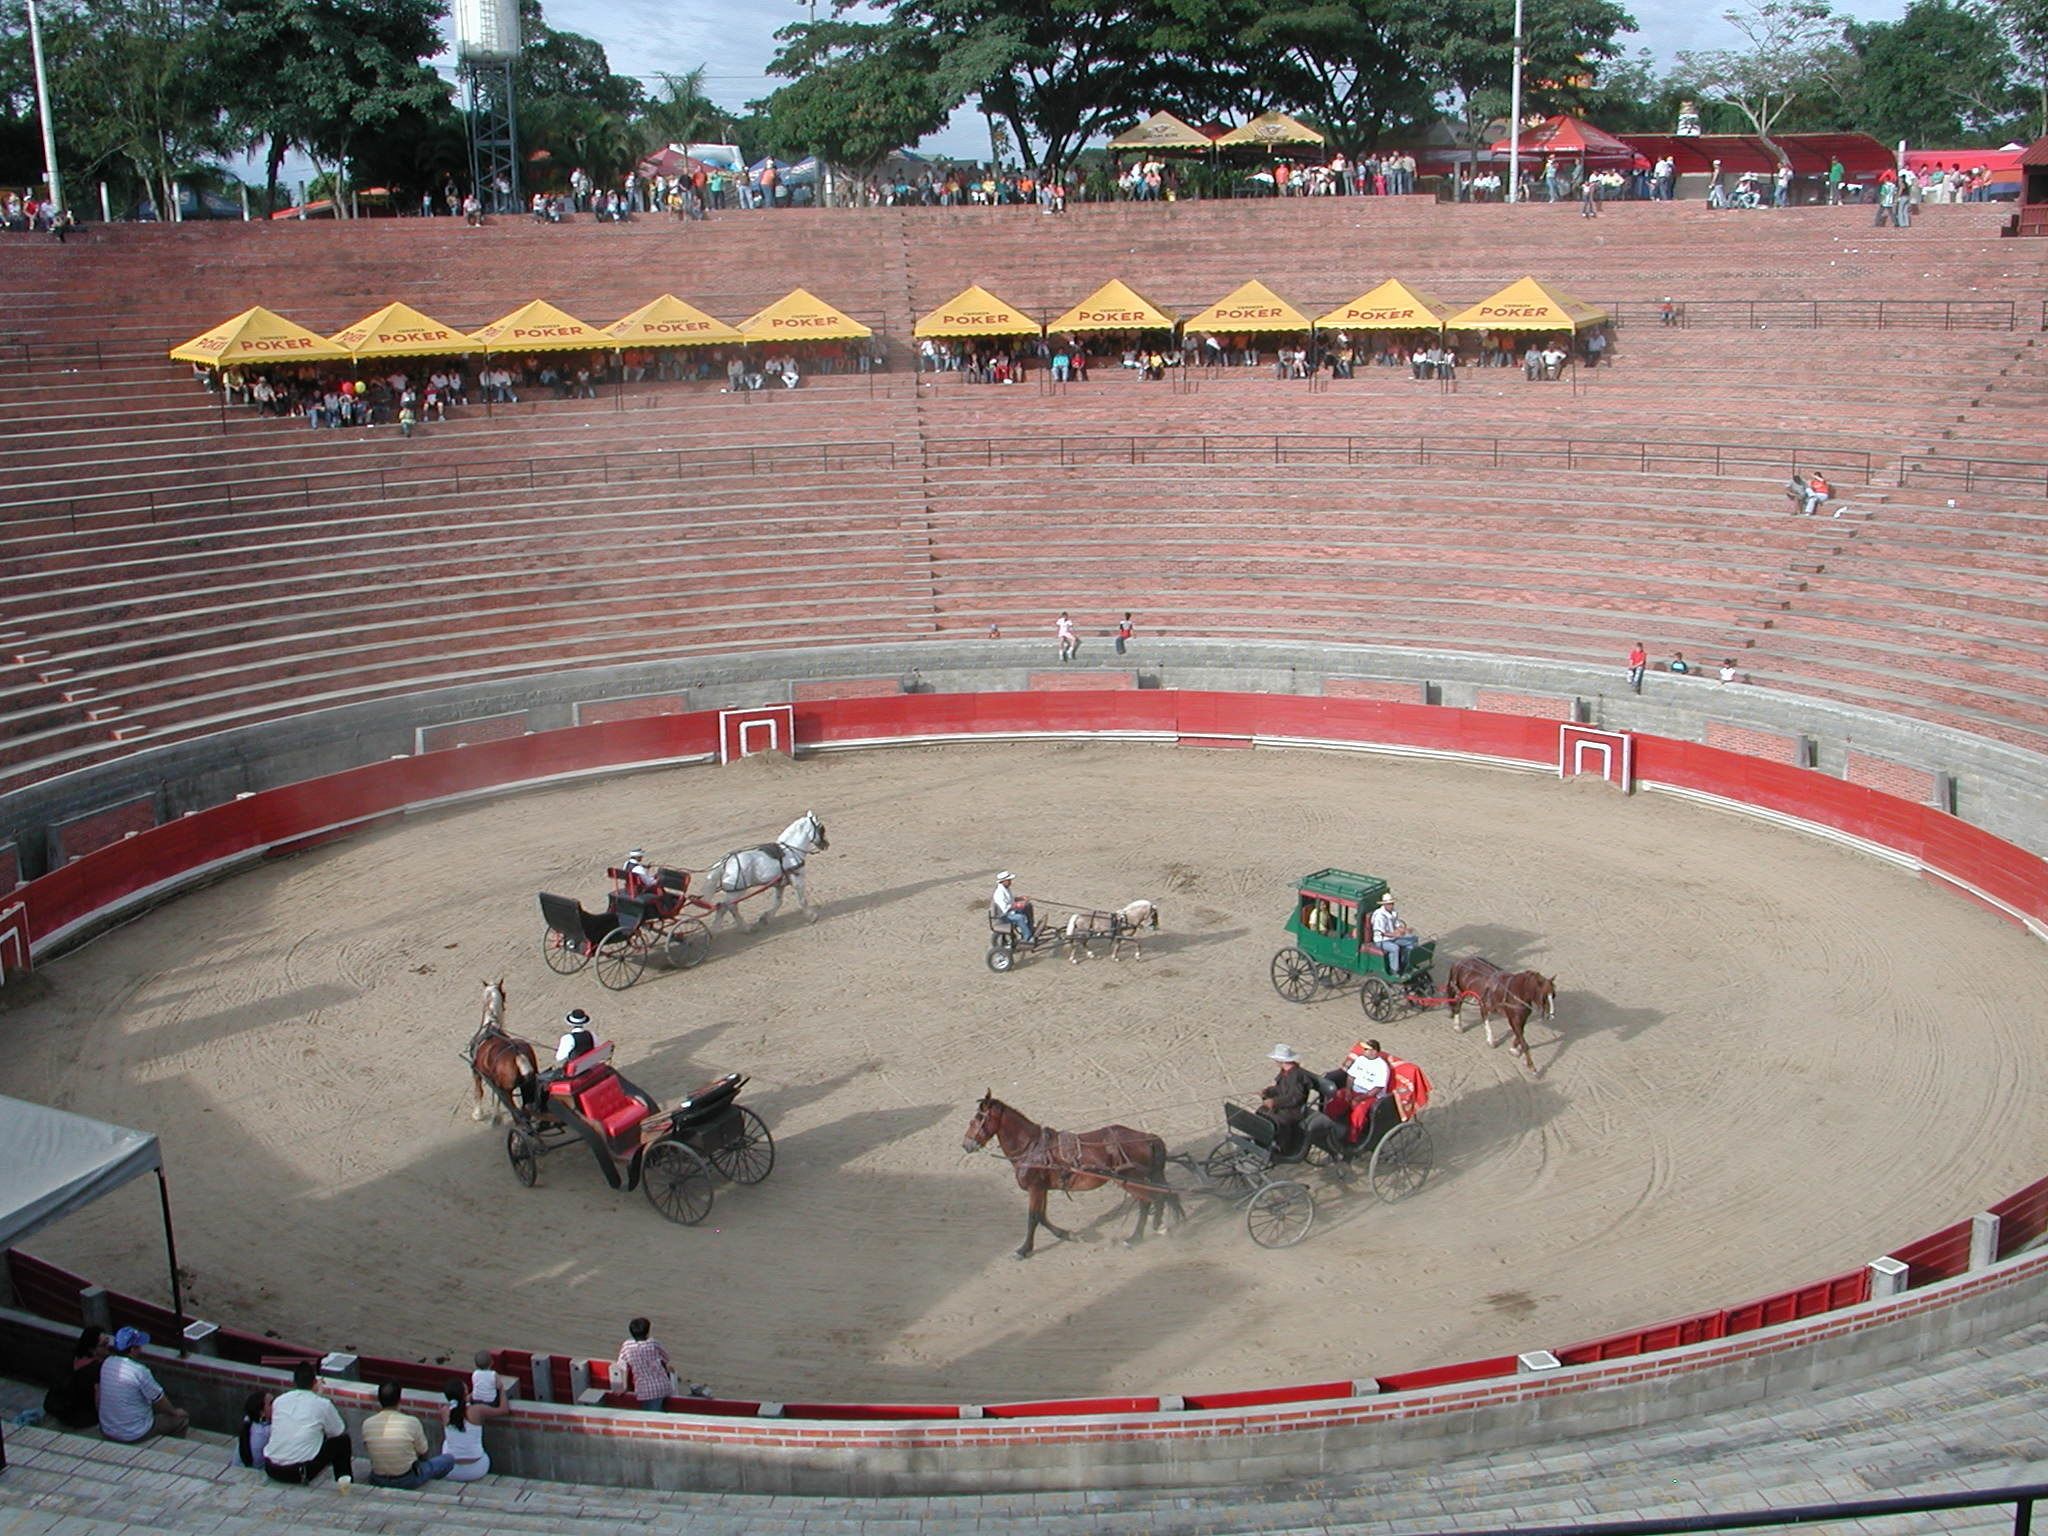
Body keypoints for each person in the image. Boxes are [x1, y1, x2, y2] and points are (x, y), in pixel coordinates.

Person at [263, 1360, 352, 1485]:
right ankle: (344, 1483)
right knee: (342, 1441)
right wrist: (320, 1398)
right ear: (314, 1382)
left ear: (294, 1382)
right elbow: (338, 1431)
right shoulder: (323, 1405)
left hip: (270, 1468)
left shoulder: (279, 1401)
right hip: (297, 1472)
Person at [98, 1327, 189, 1443]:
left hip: (107, 1430)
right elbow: (160, 1400)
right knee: (181, 1419)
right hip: (133, 1434)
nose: (141, 1349)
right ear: (132, 1350)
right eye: (138, 1346)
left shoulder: (107, 1363)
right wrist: (175, 1412)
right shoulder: (139, 1371)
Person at [363, 1379, 456, 1489]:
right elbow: (423, 1452)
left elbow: (369, 1450)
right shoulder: (411, 1422)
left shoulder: (367, 1424)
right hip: (406, 1480)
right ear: (399, 1399)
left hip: (377, 1479)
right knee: (448, 1459)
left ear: (379, 1400)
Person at [614, 1317, 705, 1410]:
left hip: (644, 1390)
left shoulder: (627, 1346)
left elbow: (622, 1366)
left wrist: (624, 1387)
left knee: (650, 1414)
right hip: (663, 1386)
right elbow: (665, 1358)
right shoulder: (654, 1343)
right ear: (647, 1332)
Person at [1258, 1044, 1320, 1152]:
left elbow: (1295, 1097)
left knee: (1277, 1119)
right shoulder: (1285, 1072)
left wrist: (1274, 1102)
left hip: (1293, 1110)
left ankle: (1282, 1147)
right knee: (1261, 1111)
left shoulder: (1297, 1076)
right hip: (1283, 1106)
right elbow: (1279, 1088)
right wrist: (1267, 1092)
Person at [45, 1324, 108, 1429]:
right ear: (92, 1350)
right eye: (104, 1344)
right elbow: (98, 1401)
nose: (108, 1348)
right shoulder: (96, 1369)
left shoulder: (74, 1359)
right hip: (82, 1417)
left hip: (66, 1410)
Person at [439, 1379, 492, 1481]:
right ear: (465, 1393)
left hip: (450, 1471)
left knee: (447, 1442)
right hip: (477, 1470)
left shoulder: (444, 1411)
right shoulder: (477, 1410)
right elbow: (503, 1409)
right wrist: (502, 1390)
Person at [1371, 892, 1417, 976]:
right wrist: (1395, 935)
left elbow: (1397, 925)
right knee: (1394, 948)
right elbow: (1381, 933)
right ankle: (1394, 970)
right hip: (1381, 941)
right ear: (1384, 904)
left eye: (1392, 903)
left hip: (1393, 938)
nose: (1391, 906)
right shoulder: (1379, 916)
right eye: (1389, 904)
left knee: (1412, 939)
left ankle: (1405, 963)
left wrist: (1406, 930)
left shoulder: (1393, 912)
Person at [991, 871, 1034, 944]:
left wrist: (1021, 898)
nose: (1010, 882)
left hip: (1010, 912)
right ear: (1003, 881)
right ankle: (1028, 938)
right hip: (1004, 916)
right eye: (1009, 880)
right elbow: (1005, 908)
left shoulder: (1006, 889)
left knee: (1028, 907)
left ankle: (1029, 928)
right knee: (1020, 917)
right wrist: (1018, 905)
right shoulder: (999, 893)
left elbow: (1011, 900)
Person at [235, 1389, 274, 1469]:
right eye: (271, 1403)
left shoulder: (249, 1421)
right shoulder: (265, 1432)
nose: (275, 1405)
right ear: (262, 1412)